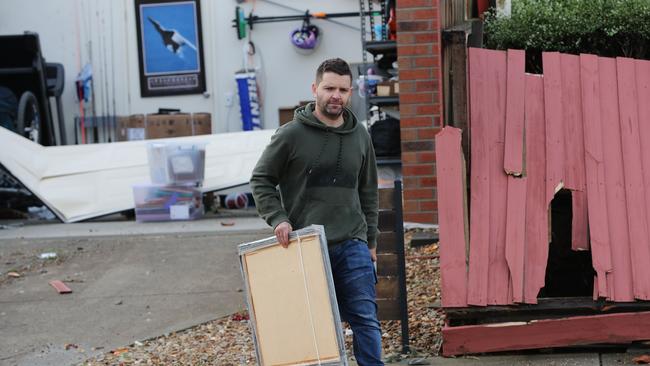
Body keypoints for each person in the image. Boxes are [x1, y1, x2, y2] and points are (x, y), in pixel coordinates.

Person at [250, 58, 383, 365]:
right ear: (315, 89)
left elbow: (368, 192)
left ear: (350, 93)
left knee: (366, 318)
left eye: (343, 90)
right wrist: (278, 218)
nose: (335, 95)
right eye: (329, 88)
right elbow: (261, 179)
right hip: (306, 245)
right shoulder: (291, 134)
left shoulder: (360, 136)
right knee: (316, 325)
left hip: (353, 243)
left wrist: (371, 242)